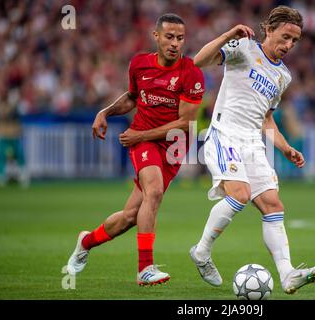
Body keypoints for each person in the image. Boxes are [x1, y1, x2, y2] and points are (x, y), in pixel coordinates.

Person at [189, 6, 315, 294]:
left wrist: (285, 148)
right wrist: (228, 35)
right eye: (285, 37)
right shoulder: (244, 48)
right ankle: (201, 252)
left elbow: (266, 118)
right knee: (240, 194)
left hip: (252, 143)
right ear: (269, 30)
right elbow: (198, 61)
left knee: (273, 205)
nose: (288, 45)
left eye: (294, 41)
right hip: (224, 134)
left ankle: (287, 274)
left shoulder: (283, 77)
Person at [66, 13, 205, 286]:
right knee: (153, 192)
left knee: (130, 217)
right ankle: (145, 268)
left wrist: (141, 133)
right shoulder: (140, 64)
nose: (175, 43)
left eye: (180, 38)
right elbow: (132, 97)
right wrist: (104, 112)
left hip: (172, 147)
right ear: (156, 36)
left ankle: (86, 241)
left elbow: (186, 123)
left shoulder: (191, 73)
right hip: (143, 142)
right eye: (169, 37)